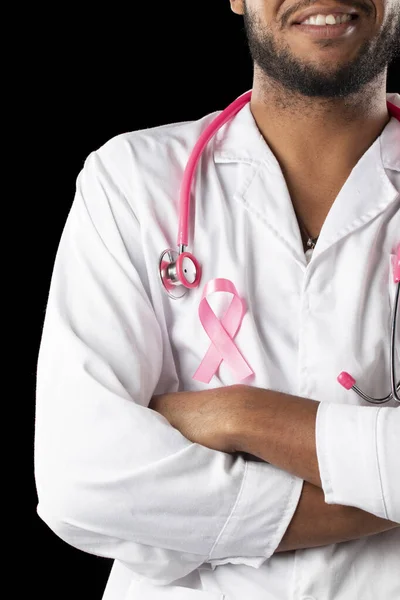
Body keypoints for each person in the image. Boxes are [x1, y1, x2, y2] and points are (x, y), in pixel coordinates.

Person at [34, 1, 400, 599]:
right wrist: (383, 481)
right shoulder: (130, 182)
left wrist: (240, 417)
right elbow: (83, 476)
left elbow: (130, 488)